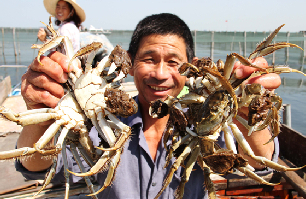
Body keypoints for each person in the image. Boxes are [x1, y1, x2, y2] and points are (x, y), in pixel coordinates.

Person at [16, 13, 280, 199]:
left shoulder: (205, 126)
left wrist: (248, 113)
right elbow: (36, 166)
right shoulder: (100, 124)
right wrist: (41, 116)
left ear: (190, 68)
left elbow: (261, 165)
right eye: (149, 59)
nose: (161, 73)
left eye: (174, 62)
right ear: (129, 65)